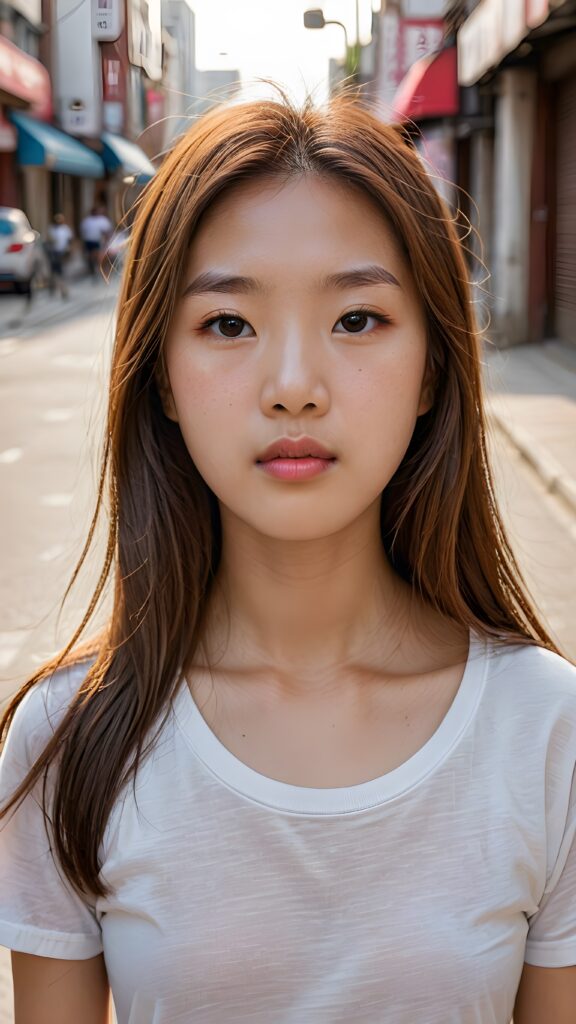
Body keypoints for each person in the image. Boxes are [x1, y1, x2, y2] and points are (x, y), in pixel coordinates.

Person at [1, 88, 575, 1024]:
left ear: (434, 365)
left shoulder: (547, 730)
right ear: (164, 379)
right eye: (228, 324)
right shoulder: (75, 742)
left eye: (357, 319)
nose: (295, 387)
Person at [46, 213, 73, 299]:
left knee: (61, 271)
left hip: (63, 252)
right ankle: (57, 288)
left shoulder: (65, 229)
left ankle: (62, 289)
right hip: (54, 252)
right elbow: (48, 240)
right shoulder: (51, 229)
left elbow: (69, 240)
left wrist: (68, 250)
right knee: (55, 271)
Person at [80, 206, 112, 278]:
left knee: (96, 255)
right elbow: (83, 232)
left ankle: (98, 269)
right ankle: (93, 269)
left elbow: (106, 232)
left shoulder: (101, 220)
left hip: (97, 240)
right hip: (90, 240)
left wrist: (106, 241)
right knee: (92, 255)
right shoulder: (87, 221)